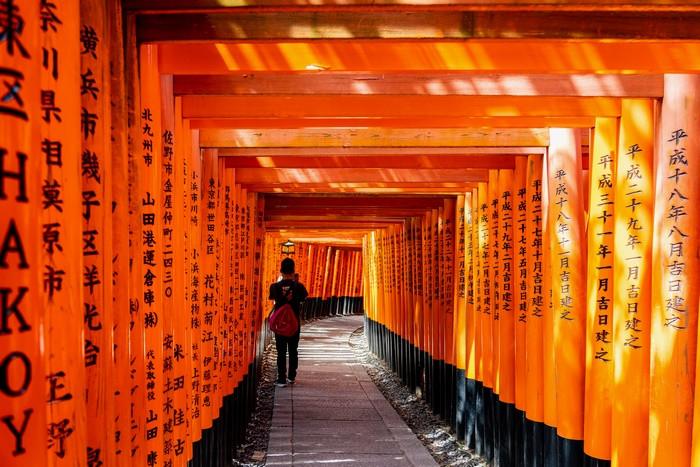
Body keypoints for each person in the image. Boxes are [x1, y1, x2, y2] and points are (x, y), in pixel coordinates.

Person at [269, 258, 308, 387]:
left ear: (281, 271)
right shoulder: (299, 286)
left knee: (280, 351)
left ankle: (281, 379)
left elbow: (272, 299)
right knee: (293, 349)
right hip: (294, 323)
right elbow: (303, 298)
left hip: (280, 324)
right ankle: (291, 376)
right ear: (293, 271)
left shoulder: (274, 287)